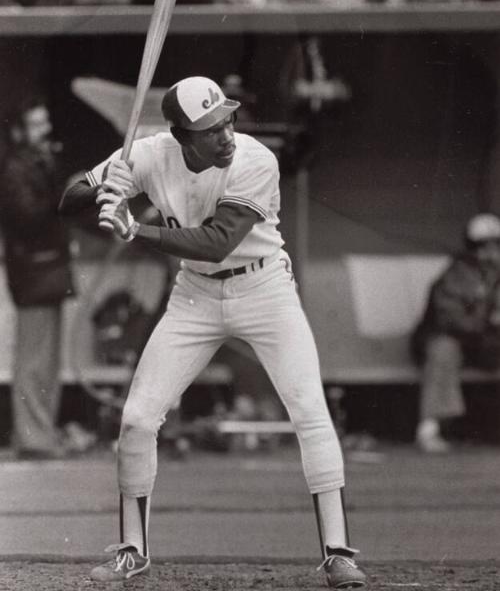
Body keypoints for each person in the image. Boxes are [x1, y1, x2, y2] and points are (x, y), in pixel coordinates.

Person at [59, 75, 367, 588]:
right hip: (196, 297)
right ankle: (132, 550)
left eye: (227, 119)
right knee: (136, 418)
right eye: (209, 129)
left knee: (309, 410)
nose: (225, 134)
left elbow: (216, 242)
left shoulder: (254, 159)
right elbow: (67, 200)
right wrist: (102, 184)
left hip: (264, 285)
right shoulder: (151, 153)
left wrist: (135, 227)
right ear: (182, 136)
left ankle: (338, 552)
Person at [0, 98, 76, 459]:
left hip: (44, 267)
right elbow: (26, 214)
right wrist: (64, 193)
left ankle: (40, 433)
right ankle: (33, 436)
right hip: (34, 268)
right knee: (34, 356)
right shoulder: (16, 167)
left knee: (45, 356)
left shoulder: (34, 163)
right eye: (36, 125)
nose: (44, 131)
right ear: (19, 132)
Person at [411, 213, 500, 453]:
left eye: (496, 245)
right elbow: (448, 318)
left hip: (486, 345)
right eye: (484, 246)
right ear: (473, 250)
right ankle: (429, 429)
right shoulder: (457, 274)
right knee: (443, 349)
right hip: (452, 340)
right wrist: (486, 322)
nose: (491, 252)